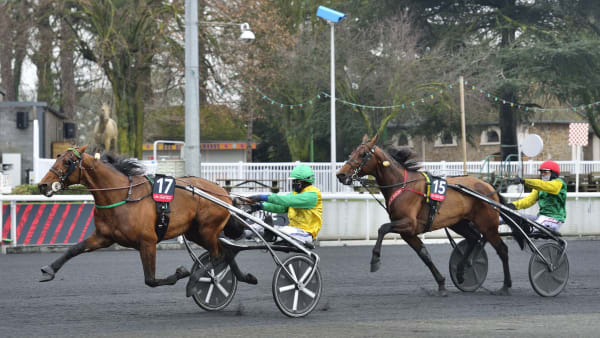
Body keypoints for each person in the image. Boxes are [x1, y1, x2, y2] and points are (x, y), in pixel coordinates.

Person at [246, 164, 322, 246]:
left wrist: (263, 197)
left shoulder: (312, 195)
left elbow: (286, 201)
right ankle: (241, 234)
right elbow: (282, 207)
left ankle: (272, 235)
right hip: (293, 230)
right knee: (259, 225)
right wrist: (261, 206)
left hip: (306, 234)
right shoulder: (295, 193)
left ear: (302, 182)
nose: (292, 183)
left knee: (285, 231)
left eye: (294, 181)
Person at [506, 160, 566, 233]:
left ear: (553, 173)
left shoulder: (559, 183)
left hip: (554, 219)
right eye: (541, 172)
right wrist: (512, 205)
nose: (542, 174)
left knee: (527, 230)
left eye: (545, 172)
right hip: (541, 218)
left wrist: (524, 181)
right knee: (509, 216)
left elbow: (544, 185)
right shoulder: (539, 187)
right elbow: (528, 201)